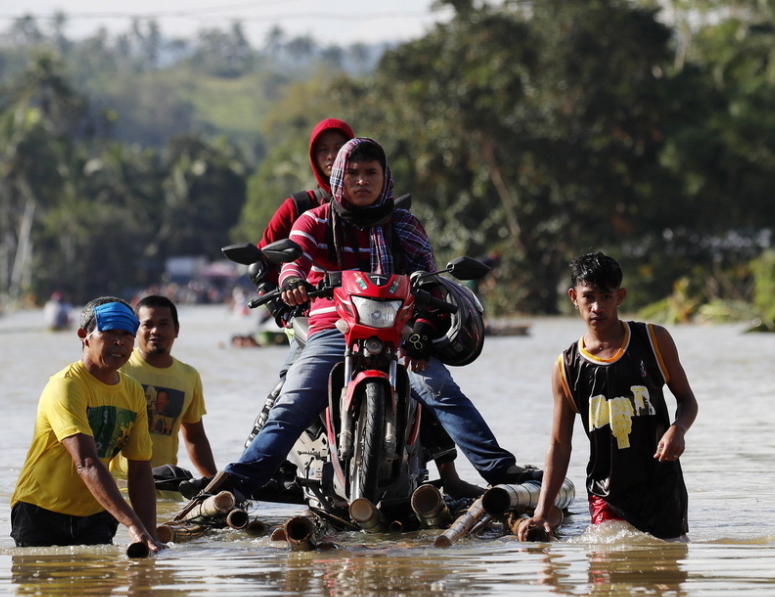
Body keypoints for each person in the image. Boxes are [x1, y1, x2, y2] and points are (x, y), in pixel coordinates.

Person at [198, 137, 539, 501]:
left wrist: (422, 329)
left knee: (440, 388)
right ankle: (241, 481)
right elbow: (294, 259)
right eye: (354, 173)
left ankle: (499, 469)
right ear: (339, 177)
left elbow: (429, 281)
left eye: (371, 173)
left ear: (385, 176)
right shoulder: (314, 219)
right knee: (293, 400)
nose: (362, 181)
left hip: (398, 324)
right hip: (334, 326)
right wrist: (293, 281)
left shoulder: (404, 224)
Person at [518, 252, 698, 542]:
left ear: (620, 297)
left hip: (662, 489)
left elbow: (687, 400)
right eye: (588, 297)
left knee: (668, 574)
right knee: (605, 577)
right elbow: (560, 444)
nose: (597, 307)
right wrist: (541, 512)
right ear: (574, 297)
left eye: (606, 296)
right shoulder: (566, 367)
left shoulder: (653, 341)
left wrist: (678, 430)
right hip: (606, 494)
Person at [10, 297, 165, 551]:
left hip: (97, 513)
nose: (120, 342)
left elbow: (139, 470)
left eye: (127, 334)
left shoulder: (133, 391)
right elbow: (86, 463)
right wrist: (133, 525)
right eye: (110, 333)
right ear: (84, 335)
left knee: (97, 589)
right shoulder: (66, 386)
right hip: (41, 511)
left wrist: (150, 535)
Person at [109, 295, 218, 490]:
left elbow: (195, 438)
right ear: (135, 330)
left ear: (176, 330)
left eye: (164, 324)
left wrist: (216, 484)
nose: (156, 331)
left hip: (168, 489)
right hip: (122, 488)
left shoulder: (189, 376)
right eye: (148, 324)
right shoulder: (119, 369)